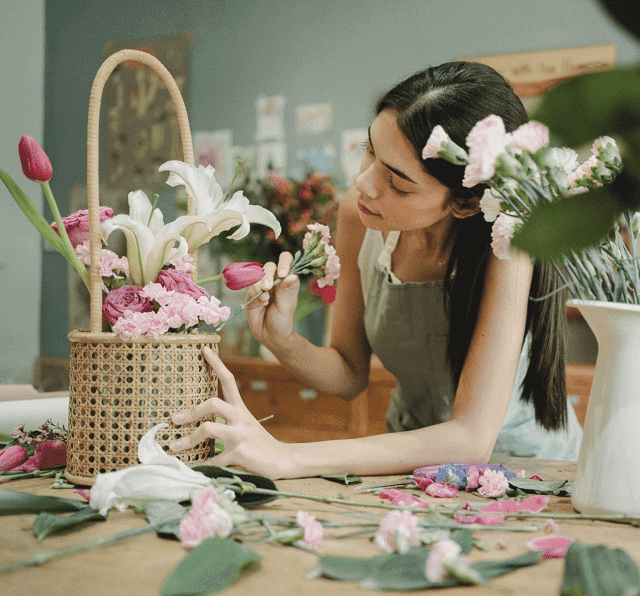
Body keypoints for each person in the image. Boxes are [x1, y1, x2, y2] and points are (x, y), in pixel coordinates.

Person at [169, 61, 583, 479]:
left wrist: (288, 456)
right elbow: (349, 373)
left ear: (466, 203)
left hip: (524, 472)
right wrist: (283, 339)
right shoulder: (359, 215)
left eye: (399, 183)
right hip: (413, 468)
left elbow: (471, 439)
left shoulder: (510, 242)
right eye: (370, 151)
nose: (365, 183)